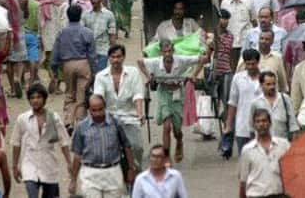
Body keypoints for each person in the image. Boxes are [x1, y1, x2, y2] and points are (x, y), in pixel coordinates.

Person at [137, 40, 208, 162]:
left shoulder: (180, 60)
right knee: (167, 126)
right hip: (163, 92)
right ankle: (166, 156)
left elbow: (203, 58)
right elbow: (140, 61)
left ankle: (179, 140)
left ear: (173, 50)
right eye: (165, 52)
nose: (168, 54)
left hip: (177, 93)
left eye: (170, 51)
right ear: (161, 52)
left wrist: (194, 74)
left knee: (177, 129)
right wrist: (148, 76)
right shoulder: (155, 62)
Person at [10, 83, 72, 198]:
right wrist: (14, 166)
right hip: (30, 164)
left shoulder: (54, 117)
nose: (35, 100)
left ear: (44, 99)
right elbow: (16, 143)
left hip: (49, 165)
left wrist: (69, 163)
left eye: (38, 97)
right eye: (32, 98)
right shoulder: (22, 119)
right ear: (29, 100)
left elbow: (63, 142)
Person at [69, 94, 135, 198]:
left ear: (105, 107)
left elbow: (127, 146)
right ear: (89, 110)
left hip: (113, 172)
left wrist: (131, 168)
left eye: (100, 109)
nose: (98, 113)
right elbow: (77, 155)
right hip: (90, 173)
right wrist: (73, 180)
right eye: (94, 110)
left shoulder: (115, 123)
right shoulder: (81, 127)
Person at [93, 45, 145, 173]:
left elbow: (138, 95)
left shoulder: (133, 72)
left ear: (124, 57)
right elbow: (98, 96)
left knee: (137, 148)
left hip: (130, 117)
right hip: (109, 119)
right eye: (113, 57)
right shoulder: (100, 76)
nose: (116, 60)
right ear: (109, 58)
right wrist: (96, 113)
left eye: (119, 57)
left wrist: (139, 113)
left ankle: (137, 175)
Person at [50, 5, 96, 130]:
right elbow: (92, 55)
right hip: (83, 63)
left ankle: (68, 121)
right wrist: (94, 71)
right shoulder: (87, 32)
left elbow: (55, 53)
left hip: (67, 65)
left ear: (68, 16)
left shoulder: (62, 33)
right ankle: (80, 121)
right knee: (81, 94)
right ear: (80, 16)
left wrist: (54, 69)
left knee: (70, 93)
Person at [239, 108, 290, 198]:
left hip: (279, 194)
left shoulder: (283, 145)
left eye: (264, 121)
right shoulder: (247, 150)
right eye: (257, 122)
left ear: (270, 123)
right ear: (254, 125)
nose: (261, 124)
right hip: (256, 195)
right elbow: (243, 181)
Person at [0, 0, 29, 98]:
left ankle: (12, 88)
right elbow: (26, 14)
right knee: (20, 59)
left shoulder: (2, 0)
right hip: (20, 30)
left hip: (7, 31)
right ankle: (18, 77)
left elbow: (1, 16)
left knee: (10, 61)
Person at [249, 70, 299, 139]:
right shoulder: (255, 103)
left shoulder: (285, 99)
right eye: (268, 84)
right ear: (261, 85)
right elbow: (251, 128)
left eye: (274, 84)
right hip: (262, 145)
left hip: (282, 145)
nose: (272, 87)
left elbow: (293, 125)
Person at [38, 0, 68, 94]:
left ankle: (53, 79)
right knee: (59, 62)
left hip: (46, 36)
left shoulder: (43, 4)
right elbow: (64, 22)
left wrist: (40, 36)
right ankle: (57, 83)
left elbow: (39, 22)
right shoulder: (63, 4)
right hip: (59, 36)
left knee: (50, 61)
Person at [221, 0, 254, 71]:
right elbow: (222, 23)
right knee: (232, 69)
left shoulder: (249, 1)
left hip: (245, 42)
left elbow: (254, 20)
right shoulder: (224, 3)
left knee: (246, 68)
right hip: (230, 43)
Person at [81, 0, 117, 74]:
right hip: (88, 52)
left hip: (103, 50)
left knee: (100, 75)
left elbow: (112, 34)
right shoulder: (85, 14)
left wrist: (114, 52)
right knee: (89, 76)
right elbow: (81, 33)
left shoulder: (109, 15)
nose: (93, 1)